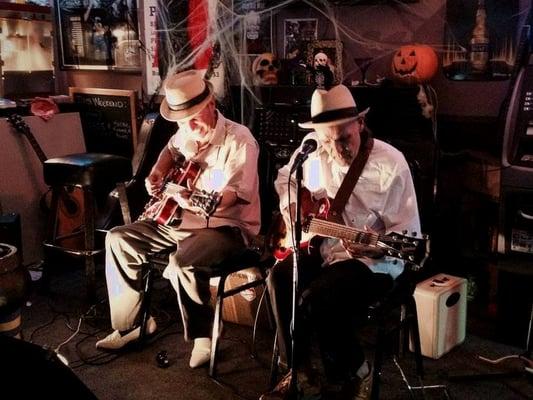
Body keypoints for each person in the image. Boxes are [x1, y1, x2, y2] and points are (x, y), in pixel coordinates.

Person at [261, 84, 420, 399]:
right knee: (279, 279)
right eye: (329, 140)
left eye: (345, 138)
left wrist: (375, 246)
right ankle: (299, 369)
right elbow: (284, 179)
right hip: (323, 247)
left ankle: (356, 371)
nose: (337, 148)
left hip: (372, 260)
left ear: (360, 123)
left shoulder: (391, 163)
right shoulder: (312, 146)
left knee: (321, 296)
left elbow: (407, 235)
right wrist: (294, 206)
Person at [96, 69, 261, 369]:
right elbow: (170, 151)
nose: (189, 126)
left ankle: (203, 337)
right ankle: (131, 325)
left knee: (183, 263)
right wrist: (156, 173)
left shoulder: (240, 140)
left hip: (225, 226)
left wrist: (198, 200)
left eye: (195, 118)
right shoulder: (186, 130)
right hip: (180, 220)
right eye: (183, 122)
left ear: (212, 103)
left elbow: (235, 195)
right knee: (118, 239)